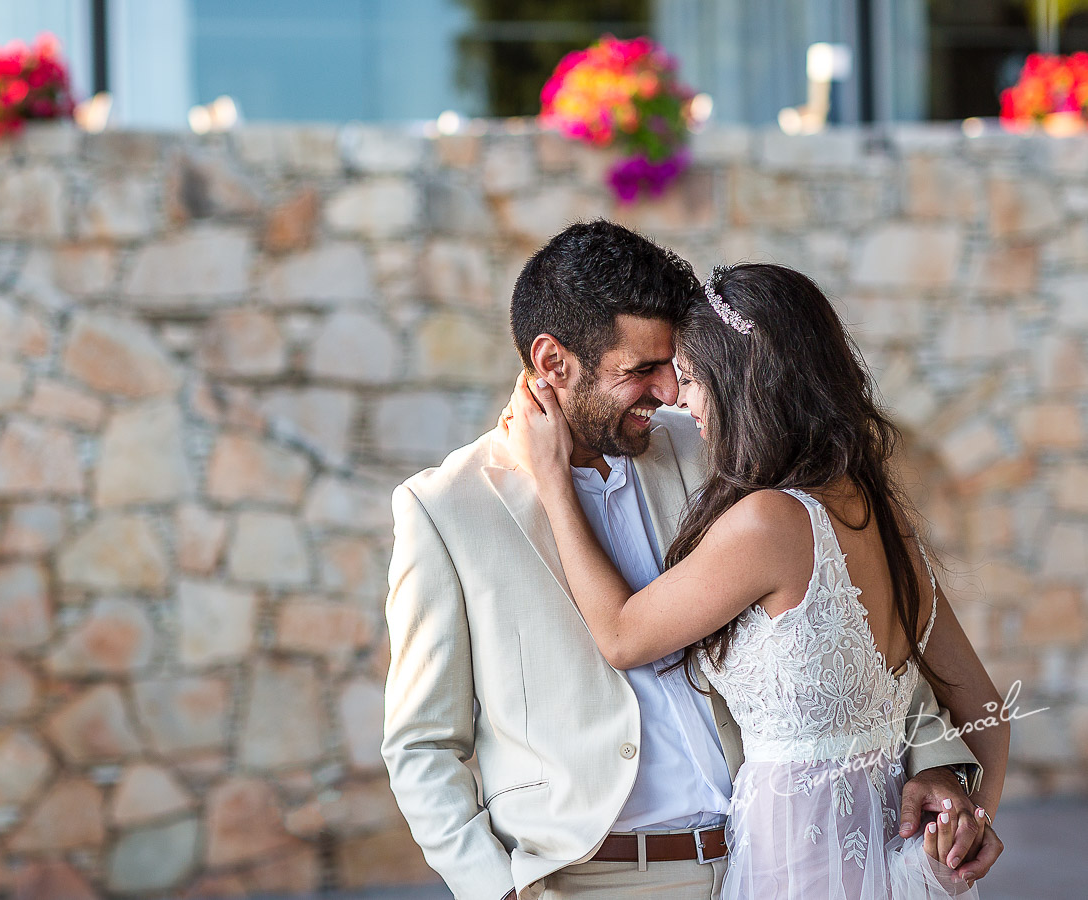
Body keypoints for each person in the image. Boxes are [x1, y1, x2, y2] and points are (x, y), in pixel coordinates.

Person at [381, 220, 1001, 900]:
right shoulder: (446, 510)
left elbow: (847, 645)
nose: (669, 392)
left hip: (765, 860)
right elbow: (421, 747)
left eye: (672, 366)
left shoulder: (718, 448)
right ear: (553, 362)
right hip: (592, 881)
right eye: (640, 370)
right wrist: (493, 890)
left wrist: (940, 764)